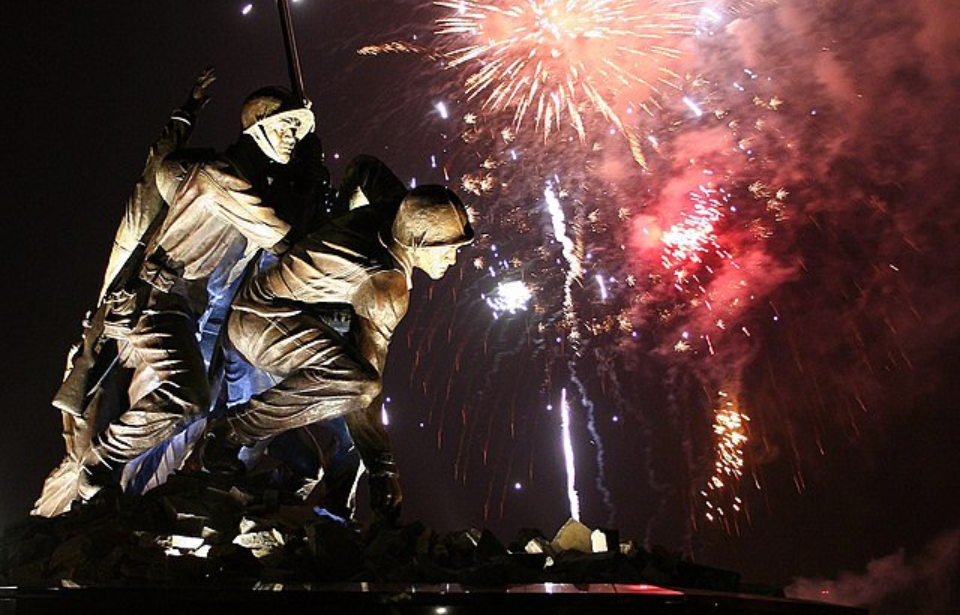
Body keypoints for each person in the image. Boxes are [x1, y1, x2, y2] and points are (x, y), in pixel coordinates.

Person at [34, 85, 320, 516]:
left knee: (197, 409)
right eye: (284, 126)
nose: (292, 137)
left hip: (198, 313)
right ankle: (102, 470)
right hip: (160, 302)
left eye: (298, 130)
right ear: (254, 128)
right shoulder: (219, 177)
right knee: (186, 396)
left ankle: (157, 492)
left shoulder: (241, 182)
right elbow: (287, 241)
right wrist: (313, 175)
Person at [201, 182, 474, 522]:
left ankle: (331, 517)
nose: (453, 257)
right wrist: (384, 470)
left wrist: (345, 215)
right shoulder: (387, 287)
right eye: (443, 247)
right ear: (416, 241)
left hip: (299, 322)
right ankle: (228, 435)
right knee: (360, 389)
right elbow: (365, 384)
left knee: (357, 437)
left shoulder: (393, 206)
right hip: (260, 323)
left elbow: (363, 169)